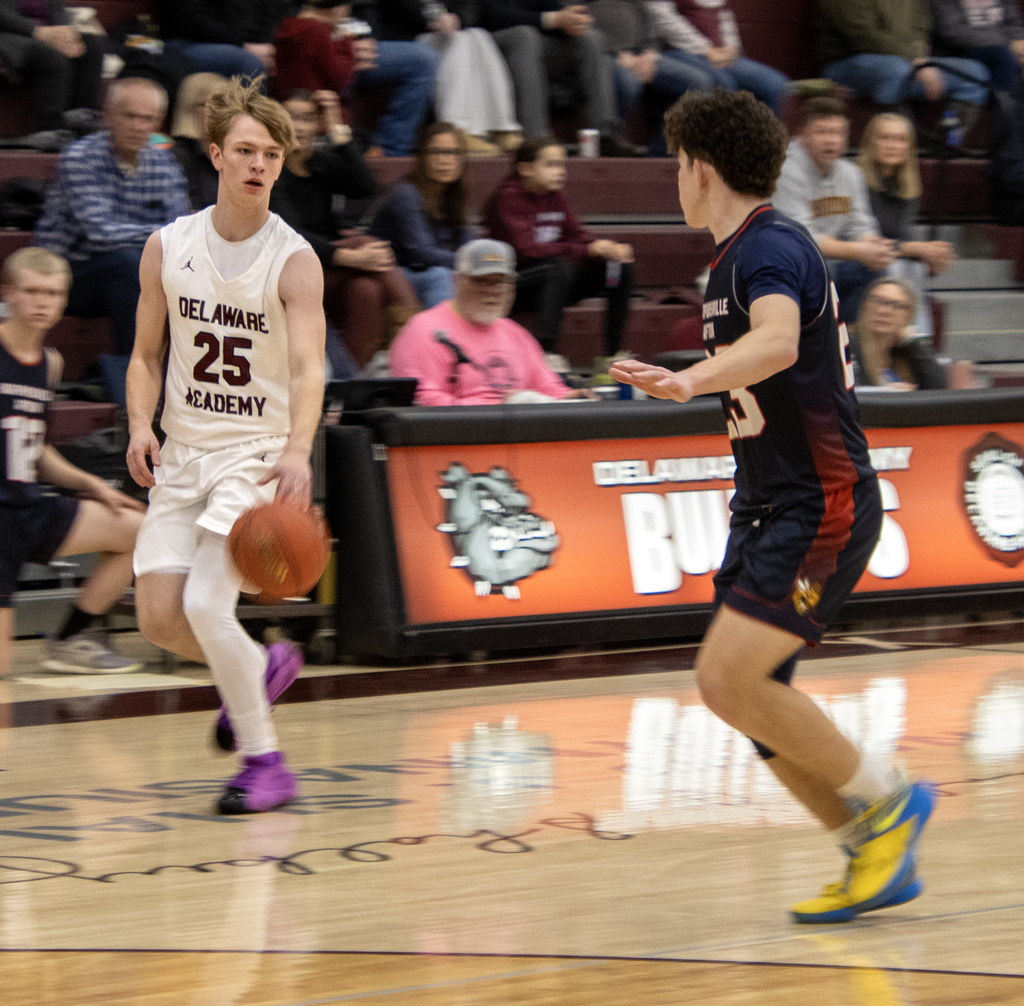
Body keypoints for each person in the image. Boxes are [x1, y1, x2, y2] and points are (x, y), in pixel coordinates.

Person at [611, 89, 935, 924]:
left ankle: (890, 801)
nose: (672, 179)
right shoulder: (734, 258)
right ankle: (870, 848)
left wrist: (686, 378)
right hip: (767, 504)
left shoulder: (771, 247)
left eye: (676, 164)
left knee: (726, 678)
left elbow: (780, 340)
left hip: (820, 501)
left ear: (701, 168)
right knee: (753, 701)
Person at [126, 78, 326, 815]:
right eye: (245, 150)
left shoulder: (294, 260)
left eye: (271, 154)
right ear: (215, 153)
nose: (258, 164)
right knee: (160, 620)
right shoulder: (167, 246)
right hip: (183, 452)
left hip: (256, 451)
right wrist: (141, 424)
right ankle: (263, 665)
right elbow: (146, 355)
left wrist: (298, 451)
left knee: (211, 605)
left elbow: (310, 367)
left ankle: (265, 764)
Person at [0, 247, 145, 677]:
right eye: (31, 291)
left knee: (141, 531)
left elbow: (34, 447)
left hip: (30, 508)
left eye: (52, 293)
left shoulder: (50, 364)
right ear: (7, 293)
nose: (42, 302)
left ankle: (70, 639)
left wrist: (93, 484)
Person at [32, 77, 191, 369]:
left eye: (147, 119)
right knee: (127, 263)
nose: (138, 126)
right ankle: (137, 374)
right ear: (109, 115)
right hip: (66, 273)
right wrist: (160, 236)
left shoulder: (164, 164)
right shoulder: (80, 158)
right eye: (130, 116)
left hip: (131, 271)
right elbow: (100, 233)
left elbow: (183, 233)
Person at [273, 89, 419, 370]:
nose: (300, 126)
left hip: (329, 273)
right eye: (292, 118)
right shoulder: (270, 169)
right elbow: (290, 236)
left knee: (366, 289)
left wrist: (338, 128)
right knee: (361, 241)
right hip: (289, 273)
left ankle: (354, 381)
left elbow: (363, 186)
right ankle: (416, 326)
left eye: (308, 119)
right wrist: (352, 258)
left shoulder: (322, 162)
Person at [390, 238, 596, 404]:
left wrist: (572, 398)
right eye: (481, 280)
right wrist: (501, 410)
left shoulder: (515, 334)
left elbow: (548, 387)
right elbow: (422, 401)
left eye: (500, 282)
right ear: (457, 280)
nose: (491, 291)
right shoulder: (424, 331)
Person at [485, 136, 634, 355]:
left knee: (617, 267)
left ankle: (613, 354)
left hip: (556, 280)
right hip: (516, 283)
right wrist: (585, 250)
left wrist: (606, 247)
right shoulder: (508, 198)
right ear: (525, 168)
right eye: (551, 165)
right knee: (558, 267)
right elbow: (527, 250)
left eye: (562, 165)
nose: (560, 171)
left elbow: (577, 235)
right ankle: (547, 355)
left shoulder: (556, 197)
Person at [772, 97, 896, 325]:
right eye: (822, 132)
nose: (831, 140)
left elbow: (861, 223)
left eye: (838, 133)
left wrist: (872, 245)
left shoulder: (850, 173)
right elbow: (802, 239)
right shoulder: (785, 171)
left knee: (878, 270)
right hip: (784, 268)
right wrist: (860, 251)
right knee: (825, 271)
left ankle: (851, 345)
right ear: (803, 134)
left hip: (830, 265)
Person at [818, 0, 990, 146]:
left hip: (906, 63)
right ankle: (899, 144)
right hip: (845, 66)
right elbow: (865, 37)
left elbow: (922, 26)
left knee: (975, 74)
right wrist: (915, 60)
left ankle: (947, 143)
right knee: (895, 69)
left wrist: (920, 60)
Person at [480, 0, 634, 152]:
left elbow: (550, 9)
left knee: (592, 38)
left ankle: (604, 135)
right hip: (487, 46)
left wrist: (570, 21)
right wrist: (552, 19)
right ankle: (535, 137)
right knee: (524, 36)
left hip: (534, 43)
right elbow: (488, 15)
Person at [372, 1, 520, 155]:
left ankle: (501, 128)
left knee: (479, 35)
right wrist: (436, 16)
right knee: (458, 41)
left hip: (447, 35)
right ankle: (455, 128)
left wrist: (457, 18)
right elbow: (407, 7)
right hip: (408, 38)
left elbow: (469, 6)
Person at [857, 112, 956, 337]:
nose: (893, 145)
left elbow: (899, 242)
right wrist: (917, 249)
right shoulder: (857, 179)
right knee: (903, 267)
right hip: (859, 265)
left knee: (915, 267)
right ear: (871, 142)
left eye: (901, 139)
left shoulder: (907, 187)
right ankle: (916, 341)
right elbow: (867, 243)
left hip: (890, 267)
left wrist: (932, 257)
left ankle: (916, 342)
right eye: (885, 138)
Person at [369, 122, 473, 309]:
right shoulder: (405, 194)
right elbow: (422, 252)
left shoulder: (453, 195)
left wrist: (474, 260)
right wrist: (470, 260)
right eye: (436, 152)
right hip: (392, 274)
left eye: (452, 153)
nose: (445, 160)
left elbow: (466, 243)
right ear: (423, 157)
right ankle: (439, 336)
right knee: (440, 276)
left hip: (427, 270)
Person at [585, 0, 709, 139]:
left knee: (699, 83)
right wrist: (615, 52)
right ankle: (611, 143)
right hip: (602, 53)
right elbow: (580, 20)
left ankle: (661, 153)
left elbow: (648, 14)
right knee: (629, 82)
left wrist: (649, 52)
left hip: (640, 53)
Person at [646, 0, 790, 115]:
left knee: (775, 84)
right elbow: (664, 20)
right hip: (681, 51)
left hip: (719, 54)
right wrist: (705, 49)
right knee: (723, 84)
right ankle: (720, 147)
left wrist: (731, 48)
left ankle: (762, 147)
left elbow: (725, 15)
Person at [0, 0, 106, 143]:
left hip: (47, 35)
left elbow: (58, 10)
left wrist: (66, 36)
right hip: (9, 36)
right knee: (50, 56)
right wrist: (38, 32)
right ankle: (52, 129)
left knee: (92, 46)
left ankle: (84, 123)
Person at [349, 1, 441, 157]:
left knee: (426, 59)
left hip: (365, 35)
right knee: (423, 59)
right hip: (323, 32)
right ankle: (393, 150)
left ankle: (390, 151)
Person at [851, 276, 975, 389]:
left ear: (908, 316)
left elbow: (938, 390)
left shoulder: (906, 352)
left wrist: (913, 341)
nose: (884, 310)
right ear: (864, 305)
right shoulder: (846, 344)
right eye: (877, 300)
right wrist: (890, 393)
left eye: (895, 305)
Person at [156, 0, 281, 83]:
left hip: (235, 44)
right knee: (250, 62)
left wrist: (262, 44)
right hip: (184, 43)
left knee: (269, 60)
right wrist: (244, 45)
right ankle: (245, 121)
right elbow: (189, 19)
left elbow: (267, 10)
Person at [929, 0, 1024, 98]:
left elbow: (1013, 23)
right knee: (1002, 57)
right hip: (960, 49)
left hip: (1001, 44)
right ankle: (1006, 111)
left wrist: (1020, 42)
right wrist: (1008, 44)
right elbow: (952, 32)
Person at [170, 72, 228, 211]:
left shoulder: (232, 154)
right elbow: (188, 217)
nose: (224, 111)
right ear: (190, 108)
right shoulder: (177, 157)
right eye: (214, 104)